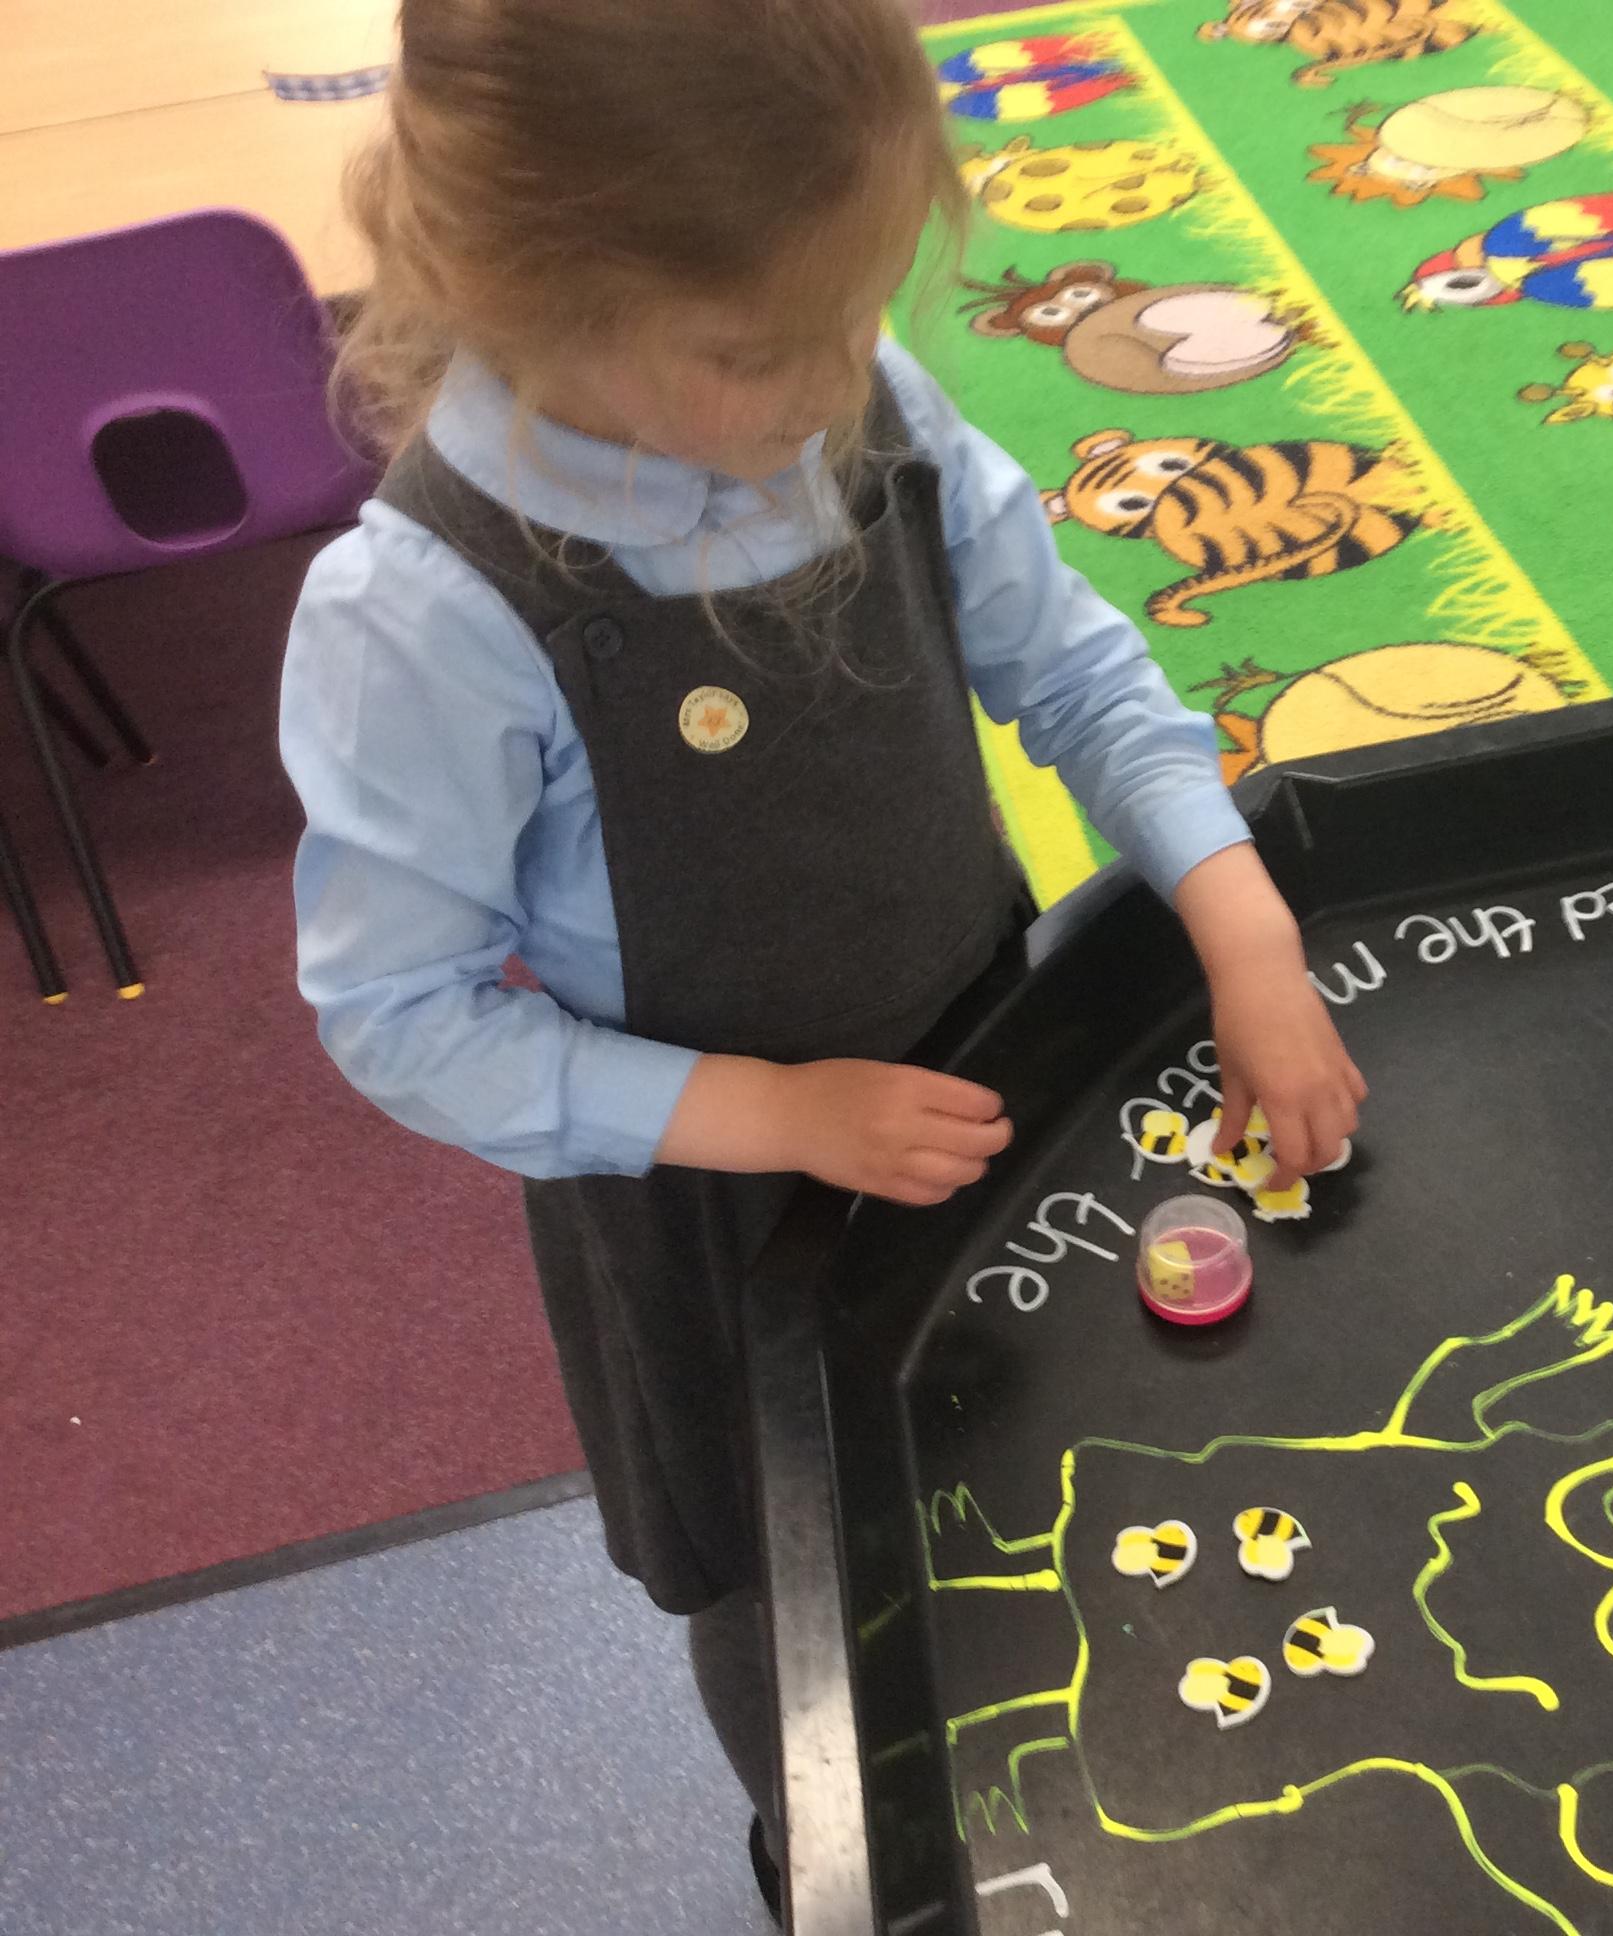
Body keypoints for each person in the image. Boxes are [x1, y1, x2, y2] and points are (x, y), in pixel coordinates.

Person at [275, 0, 1365, 1915]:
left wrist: (1244, 925)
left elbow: (1078, 671)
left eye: (855, 316)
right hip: (710, 1216)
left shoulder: (867, 408)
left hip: (985, 1075)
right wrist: (776, 1113)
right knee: (788, 1597)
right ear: (533, 298)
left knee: (1018, 1469)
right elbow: (400, 1018)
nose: (833, 382)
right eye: (760, 348)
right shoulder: (422, 611)